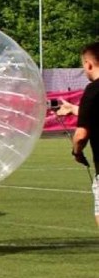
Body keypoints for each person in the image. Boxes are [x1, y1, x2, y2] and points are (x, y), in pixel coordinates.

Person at [60, 42, 99, 228]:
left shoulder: (93, 90)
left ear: (89, 64)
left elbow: (81, 135)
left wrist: (77, 152)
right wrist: (75, 109)